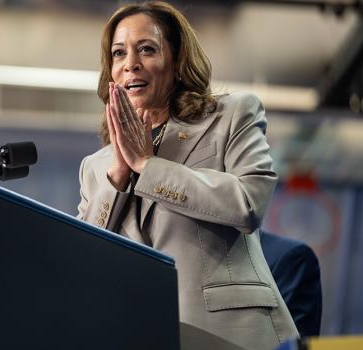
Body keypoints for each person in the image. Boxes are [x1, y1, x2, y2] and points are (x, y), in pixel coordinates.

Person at [76, 2, 299, 349]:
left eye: (146, 49)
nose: (130, 63)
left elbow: (248, 203)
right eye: (118, 54)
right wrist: (119, 175)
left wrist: (148, 166)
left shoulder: (231, 116)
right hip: (138, 333)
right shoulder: (95, 167)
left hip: (230, 333)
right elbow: (81, 258)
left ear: (177, 62)